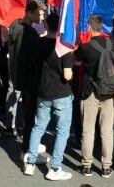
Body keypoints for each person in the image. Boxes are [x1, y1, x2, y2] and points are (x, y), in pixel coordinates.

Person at [21, 12, 75, 181]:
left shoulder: (38, 43)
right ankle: (55, 168)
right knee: (62, 131)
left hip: (42, 92)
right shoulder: (63, 48)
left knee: (38, 127)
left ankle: (30, 162)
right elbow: (67, 75)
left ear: (46, 25)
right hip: (61, 93)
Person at [74, 14, 114, 178]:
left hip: (90, 92)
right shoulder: (110, 44)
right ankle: (106, 166)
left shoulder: (86, 47)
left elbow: (75, 57)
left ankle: (87, 165)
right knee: (106, 131)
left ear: (90, 27)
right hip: (107, 91)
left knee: (88, 130)